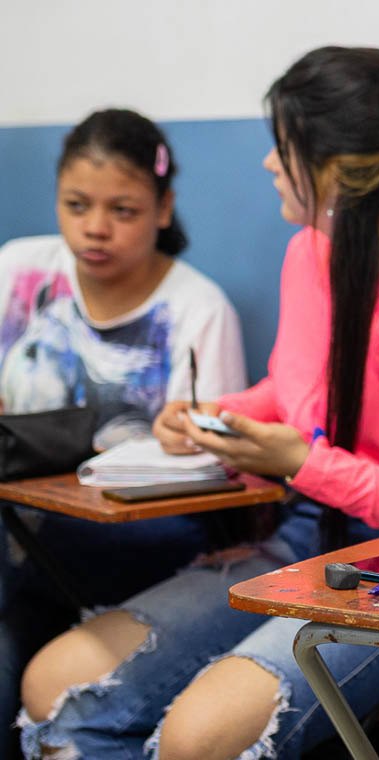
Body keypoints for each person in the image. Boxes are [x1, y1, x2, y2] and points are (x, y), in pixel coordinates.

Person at [18, 47, 379, 760]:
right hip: (309, 537)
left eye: (284, 147)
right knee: (53, 684)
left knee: (196, 738)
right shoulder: (310, 254)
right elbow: (295, 390)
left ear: (341, 172)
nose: (269, 164)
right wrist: (214, 418)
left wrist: (306, 462)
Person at [0, 109, 246, 757]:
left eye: (123, 210)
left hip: (139, 538)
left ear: (163, 207)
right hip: (19, 524)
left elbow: (213, 466)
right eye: (76, 205)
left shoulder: (198, 309)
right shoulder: (20, 271)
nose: (95, 228)